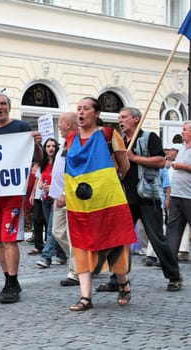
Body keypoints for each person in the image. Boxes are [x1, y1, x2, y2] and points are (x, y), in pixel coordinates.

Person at [97, 107, 182, 293]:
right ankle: (117, 279)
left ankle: (174, 276)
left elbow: (161, 161)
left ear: (136, 119)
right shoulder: (119, 141)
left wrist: (134, 157)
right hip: (125, 196)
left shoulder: (149, 137)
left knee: (157, 239)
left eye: (124, 117)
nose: (120, 120)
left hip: (147, 196)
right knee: (119, 240)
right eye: (119, 117)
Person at [65, 97, 136, 311]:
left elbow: (124, 166)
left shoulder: (108, 135)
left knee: (114, 243)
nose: (81, 112)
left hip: (107, 202)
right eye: (78, 109)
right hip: (80, 204)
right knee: (81, 245)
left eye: (86, 108)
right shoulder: (70, 139)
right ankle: (85, 297)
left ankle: (123, 282)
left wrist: (107, 185)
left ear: (96, 113)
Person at [0, 93, 43, 304]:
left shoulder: (21, 127)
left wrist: (36, 144)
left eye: (2, 104)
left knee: (9, 239)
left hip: (13, 193)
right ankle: (9, 280)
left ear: (9, 107)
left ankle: (12, 281)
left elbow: (38, 159)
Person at [48, 112, 80, 286]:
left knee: (73, 235)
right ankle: (85, 259)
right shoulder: (64, 144)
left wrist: (66, 195)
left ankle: (76, 272)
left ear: (68, 124)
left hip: (69, 198)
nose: (58, 126)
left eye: (60, 123)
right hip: (58, 198)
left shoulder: (77, 142)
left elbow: (75, 172)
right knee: (58, 232)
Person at [33, 137, 68, 268]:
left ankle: (46, 257)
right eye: (48, 146)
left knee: (51, 230)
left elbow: (61, 179)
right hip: (45, 199)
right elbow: (40, 178)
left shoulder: (60, 162)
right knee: (52, 228)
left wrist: (52, 187)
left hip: (56, 199)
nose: (51, 148)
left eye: (53, 146)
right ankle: (61, 255)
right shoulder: (43, 164)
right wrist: (41, 185)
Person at [165, 121, 191, 274]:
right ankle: (172, 271)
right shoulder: (181, 149)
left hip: (189, 196)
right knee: (172, 231)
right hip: (176, 195)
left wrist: (181, 166)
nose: (182, 132)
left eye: (184, 130)